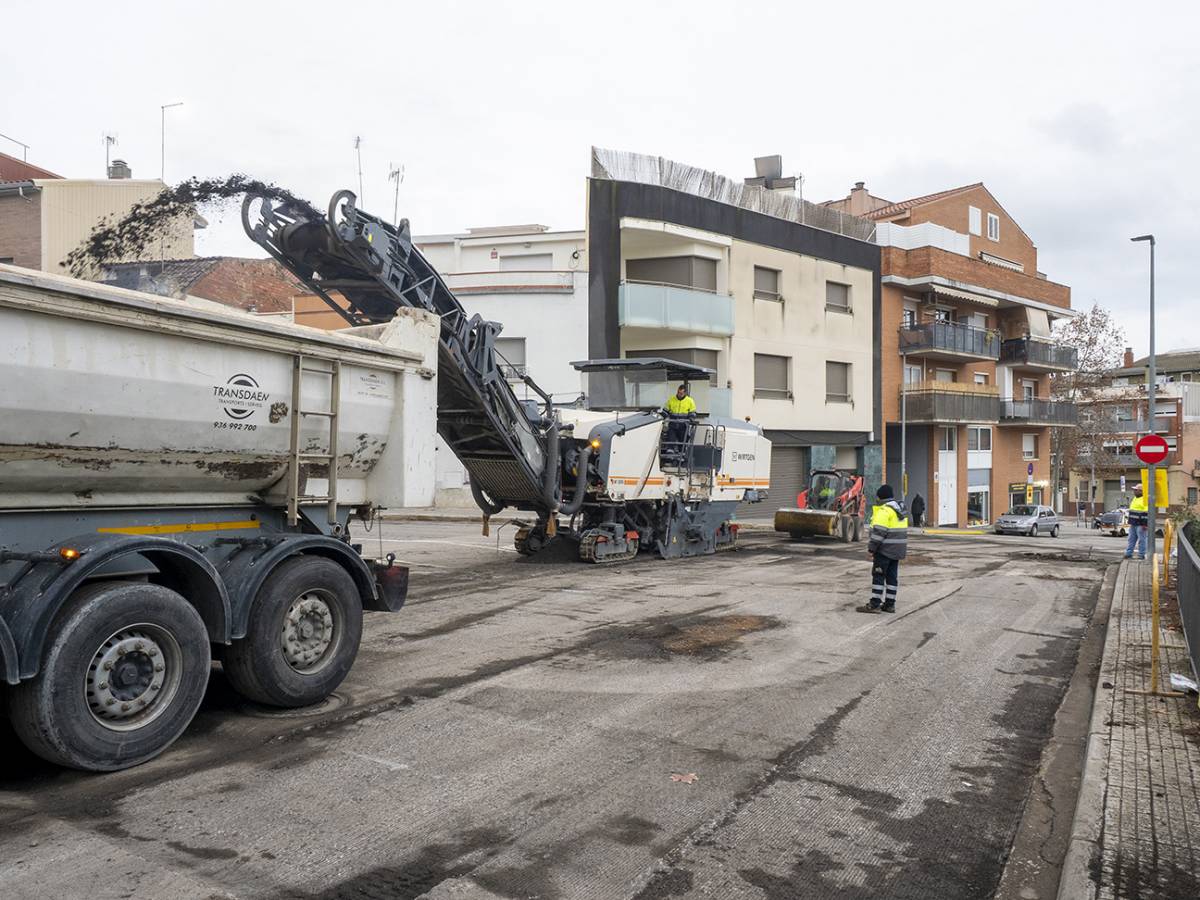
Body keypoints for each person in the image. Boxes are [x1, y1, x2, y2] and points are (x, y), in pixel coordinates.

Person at [857, 484, 908, 614]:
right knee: (892, 577)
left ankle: (875, 604)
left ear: (881, 497)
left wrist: (871, 549)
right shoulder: (899, 512)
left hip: (884, 550)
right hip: (897, 551)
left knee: (878, 576)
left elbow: (879, 533)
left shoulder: (884, 511)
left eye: (878, 496)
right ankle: (890, 604)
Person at [662, 384, 696, 463]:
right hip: (673, 424)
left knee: (683, 440)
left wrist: (691, 419)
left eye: (681, 393)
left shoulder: (690, 401)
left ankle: (681, 458)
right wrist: (664, 416)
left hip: (683, 425)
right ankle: (670, 458)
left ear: (685, 393)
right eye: (678, 392)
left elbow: (693, 413)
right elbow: (665, 410)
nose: (679, 394)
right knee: (671, 439)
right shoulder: (671, 399)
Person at [1125, 483, 1149, 560]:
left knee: (1142, 540)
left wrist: (1145, 524)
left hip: (1141, 524)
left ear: (1141, 491)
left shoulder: (1145, 499)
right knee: (1131, 539)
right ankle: (1129, 553)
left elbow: (1147, 512)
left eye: (1136, 490)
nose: (1134, 491)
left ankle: (1141, 555)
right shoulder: (1135, 498)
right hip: (1133, 522)